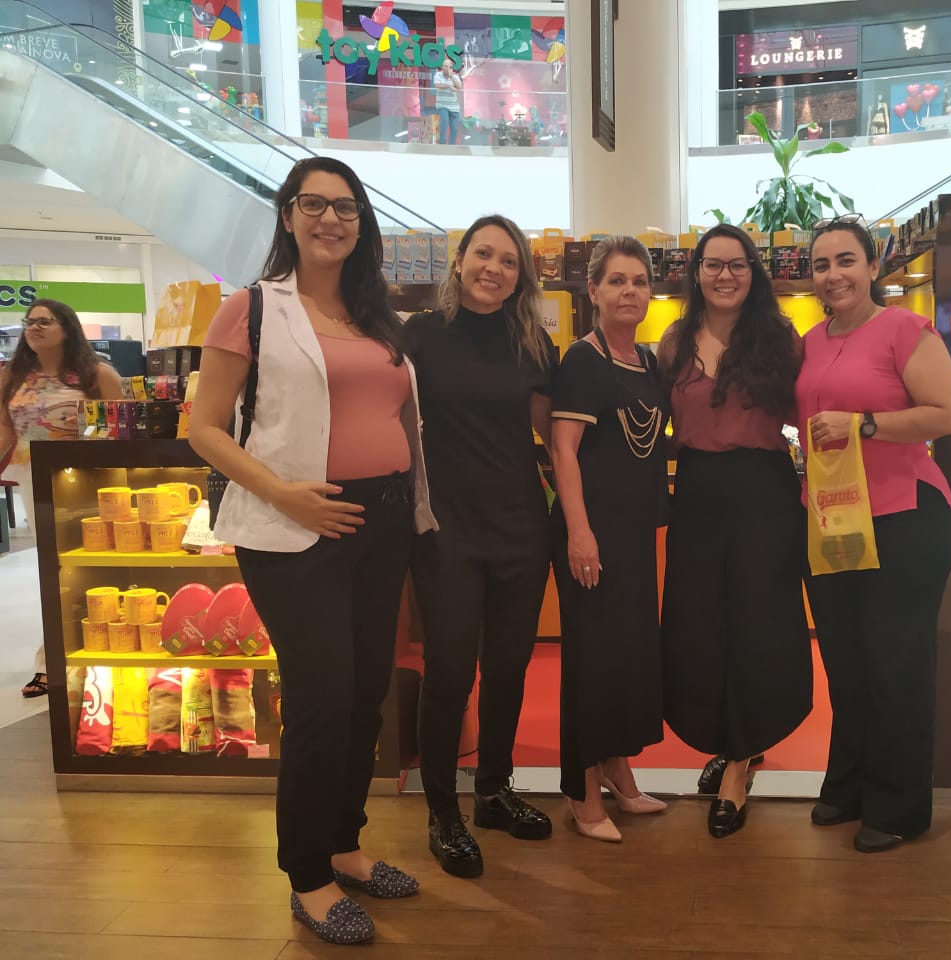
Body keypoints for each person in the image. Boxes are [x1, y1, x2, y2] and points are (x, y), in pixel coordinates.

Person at [189, 156, 436, 945]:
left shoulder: (375, 315)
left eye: (346, 206)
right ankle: (306, 874)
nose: (331, 218)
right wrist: (284, 492)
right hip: (295, 526)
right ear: (288, 215)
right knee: (322, 698)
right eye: (314, 203)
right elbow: (203, 428)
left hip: (381, 521)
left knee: (365, 695)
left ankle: (343, 844)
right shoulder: (252, 309)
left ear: (362, 223)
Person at [797, 215, 951, 854]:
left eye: (846, 260)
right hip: (831, 518)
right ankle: (849, 787)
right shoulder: (810, 342)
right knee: (846, 663)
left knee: (897, 664)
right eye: (821, 264)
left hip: (904, 516)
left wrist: (865, 424)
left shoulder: (903, 330)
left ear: (872, 267)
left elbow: (948, 414)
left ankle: (898, 807)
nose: (833, 274)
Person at [407, 214, 558, 878]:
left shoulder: (532, 341)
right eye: (483, 254)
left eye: (508, 260)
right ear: (460, 259)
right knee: (448, 673)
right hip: (447, 529)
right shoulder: (420, 335)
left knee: (508, 668)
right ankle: (443, 812)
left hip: (521, 526)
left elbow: (556, 437)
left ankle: (494, 791)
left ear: (520, 275)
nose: (494, 268)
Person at [659, 223, 812, 840]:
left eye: (737, 264)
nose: (725, 275)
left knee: (758, 624)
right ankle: (728, 739)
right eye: (713, 264)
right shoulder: (675, 341)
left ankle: (740, 765)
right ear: (696, 273)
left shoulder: (780, 338)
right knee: (700, 624)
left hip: (763, 494)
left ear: (754, 272)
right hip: (697, 492)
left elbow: (813, 410)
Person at [548, 236, 669, 843]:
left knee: (627, 657)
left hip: (633, 535)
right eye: (617, 281)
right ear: (592, 290)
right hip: (590, 534)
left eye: (639, 281)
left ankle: (620, 772)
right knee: (592, 663)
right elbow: (562, 449)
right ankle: (582, 791)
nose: (630, 291)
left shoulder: (648, 361)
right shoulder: (582, 360)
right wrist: (579, 533)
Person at [0, 298, 123, 699]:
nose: (34, 327)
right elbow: (4, 431)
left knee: (94, 564)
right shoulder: (12, 377)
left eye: (44, 321)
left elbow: (122, 429)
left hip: (89, 481)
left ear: (67, 327)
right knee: (54, 569)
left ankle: (102, 645)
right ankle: (51, 658)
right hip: (34, 480)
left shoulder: (96, 375)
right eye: (29, 321)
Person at [432, 59, 463, 145]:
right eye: (443, 66)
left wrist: (451, 77)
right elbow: (437, 85)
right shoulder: (438, 75)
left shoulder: (455, 77)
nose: (443, 68)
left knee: (454, 128)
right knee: (444, 121)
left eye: (446, 66)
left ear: (451, 68)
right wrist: (449, 86)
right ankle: (442, 144)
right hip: (442, 104)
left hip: (454, 106)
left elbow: (459, 87)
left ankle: (451, 146)